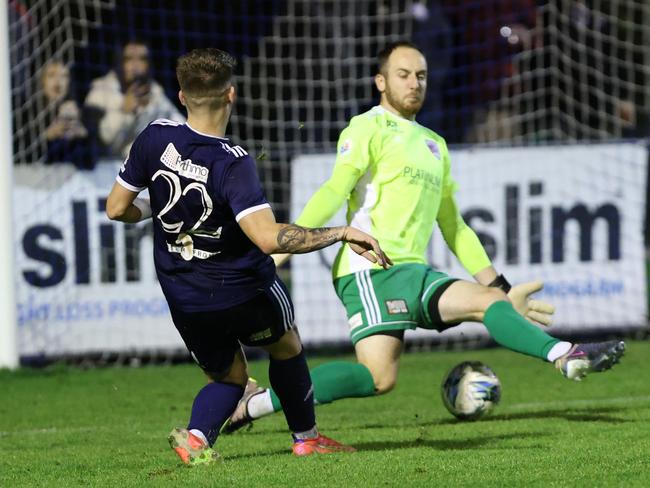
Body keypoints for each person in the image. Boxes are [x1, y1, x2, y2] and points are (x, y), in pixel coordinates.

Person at [222, 41, 626, 433]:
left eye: (421, 75)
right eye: (403, 75)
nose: (414, 82)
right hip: (369, 269)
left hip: (410, 270)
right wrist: (279, 247)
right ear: (381, 82)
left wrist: (501, 287)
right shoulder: (367, 127)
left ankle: (252, 404)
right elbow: (334, 190)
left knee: (378, 378)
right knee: (462, 319)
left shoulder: (435, 144)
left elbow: (454, 227)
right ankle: (565, 354)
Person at [105, 47, 392, 464]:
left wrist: (156, 207)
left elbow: (116, 208)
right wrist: (342, 232)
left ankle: (198, 437)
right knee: (286, 346)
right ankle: (305, 437)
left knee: (231, 376)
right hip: (244, 290)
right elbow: (269, 239)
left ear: (182, 96)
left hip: (185, 296)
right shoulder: (232, 162)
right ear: (231, 95)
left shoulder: (154, 136)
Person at [85, 40, 184, 159]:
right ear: (119, 62)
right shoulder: (100, 90)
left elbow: (181, 127)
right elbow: (103, 143)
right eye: (129, 58)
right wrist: (124, 112)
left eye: (141, 59)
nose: (135, 65)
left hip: (145, 166)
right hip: (107, 167)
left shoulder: (155, 92)